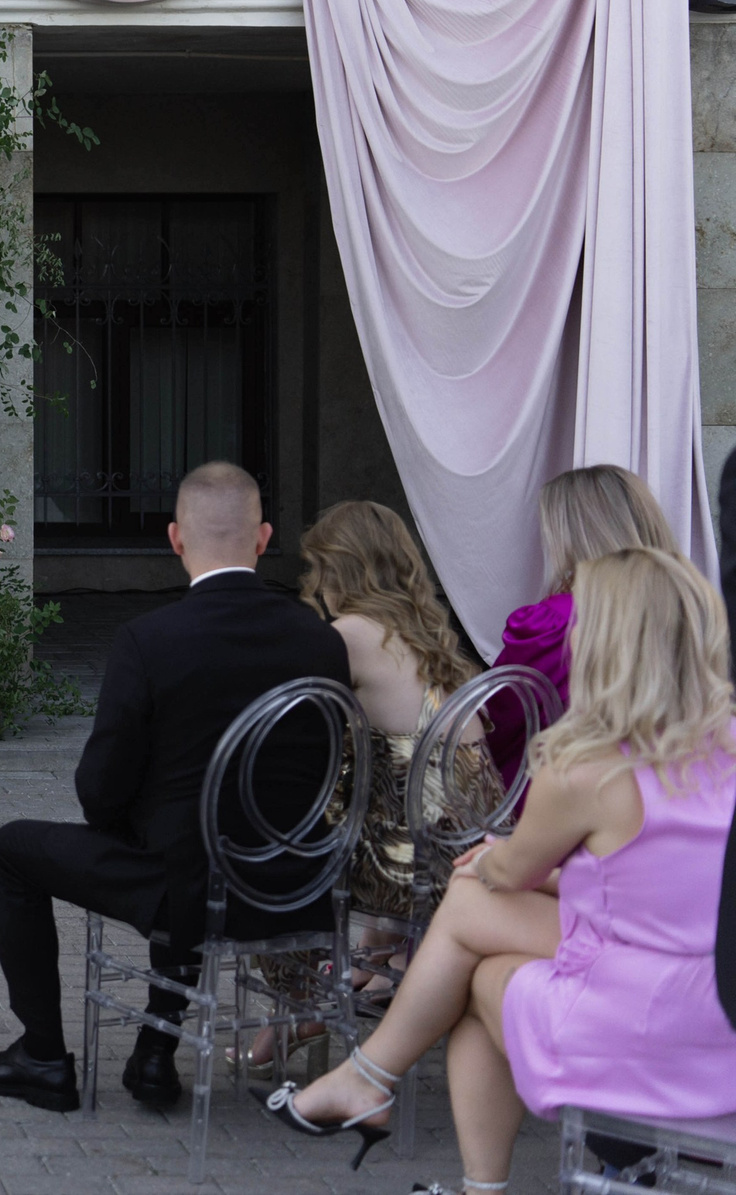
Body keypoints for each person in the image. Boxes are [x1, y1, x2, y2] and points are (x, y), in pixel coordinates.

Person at [266, 546, 736, 1194]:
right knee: (471, 933)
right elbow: (662, 875)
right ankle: (378, 1093)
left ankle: (377, 1087)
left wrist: (492, 858)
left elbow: (509, 872)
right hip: (718, 997)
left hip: (649, 1024)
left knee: (472, 936)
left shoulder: (588, 770)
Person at [0, 461, 351, 1115]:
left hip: (190, 893)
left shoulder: (151, 639)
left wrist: (138, 825)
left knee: (14, 849)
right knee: (187, 840)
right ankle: (153, 1050)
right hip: (300, 889)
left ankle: (44, 1054)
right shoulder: (320, 640)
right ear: (263, 538)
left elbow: (100, 788)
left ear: (174, 539)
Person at [240, 500, 489, 1076]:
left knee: (275, 847)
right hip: (473, 829)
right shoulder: (427, 629)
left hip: (414, 855)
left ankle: (307, 997)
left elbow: (294, 725)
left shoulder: (347, 635)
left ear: (336, 570)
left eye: (316, 571)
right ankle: (372, 960)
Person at [485, 464, 674, 782]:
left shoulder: (553, 622)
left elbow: (498, 724)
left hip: (564, 800)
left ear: (573, 537)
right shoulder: (683, 607)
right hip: (668, 789)